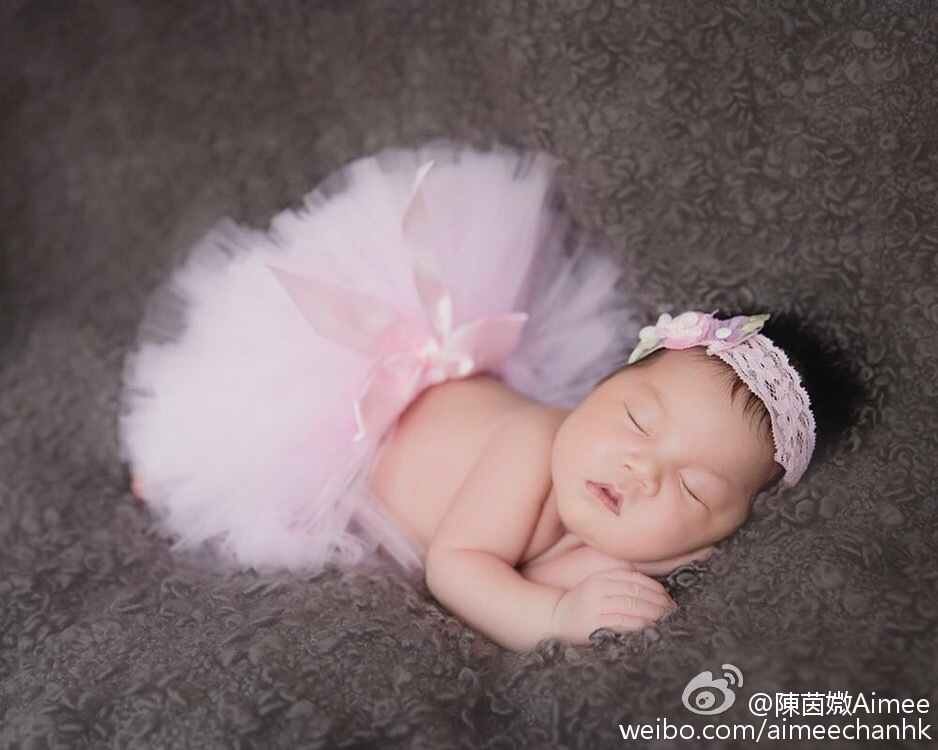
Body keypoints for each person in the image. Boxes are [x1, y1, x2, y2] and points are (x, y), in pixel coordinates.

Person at [120, 143, 820, 651]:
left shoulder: (615, 520)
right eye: (636, 420)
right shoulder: (535, 444)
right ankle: (185, 464)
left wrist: (634, 563)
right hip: (360, 425)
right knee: (256, 433)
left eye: (694, 491)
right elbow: (459, 568)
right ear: (599, 389)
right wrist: (557, 616)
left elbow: (552, 560)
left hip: (417, 477)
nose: (643, 470)